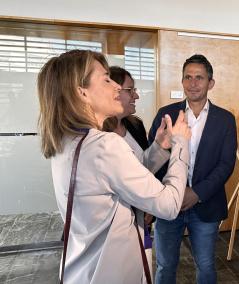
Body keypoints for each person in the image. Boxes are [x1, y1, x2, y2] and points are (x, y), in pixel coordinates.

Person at [37, 49, 191, 283]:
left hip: (85, 269)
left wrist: (159, 147)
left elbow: (127, 177)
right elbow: (169, 205)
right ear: (82, 93)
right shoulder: (105, 144)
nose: (117, 87)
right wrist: (181, 144)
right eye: (106, 79)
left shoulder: (68, 141)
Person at [149, 54, 237, 284]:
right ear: (182, 81)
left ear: (211, 83)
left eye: (199, 77)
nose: (193, 83)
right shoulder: (166, 114)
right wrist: (171, 191)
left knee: (206, 264)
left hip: (205, 204)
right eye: (187, 77)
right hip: (169, 204)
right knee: (165, 265)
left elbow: (226, 164)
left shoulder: (225, 119)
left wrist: (196, 193)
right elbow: (152, 159)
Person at [103, 66, 169, 276]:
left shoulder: (135, 125)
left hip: (140, 220)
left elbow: (143, 170)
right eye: (130, 90)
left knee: (141, 271)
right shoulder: (97, 135)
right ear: (113, 91)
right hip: (113, 228)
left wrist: (159, 145)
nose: (136, 95)